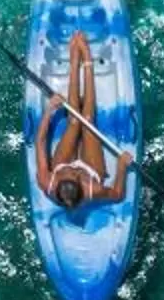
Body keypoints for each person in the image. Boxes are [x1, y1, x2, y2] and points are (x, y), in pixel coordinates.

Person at [35, 32, 131, 212]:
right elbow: (117, 194)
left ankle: (74, 60)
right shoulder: (92, 189)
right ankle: (87, 59)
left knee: (74, 121)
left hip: (62, 161)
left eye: (68, 173)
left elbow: (40, 142)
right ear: (80, 183)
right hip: (91, 170)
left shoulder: (46, 181)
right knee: (87, 121)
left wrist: (50, 109)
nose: (73, 170)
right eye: (74, 174)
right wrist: (121, 166)